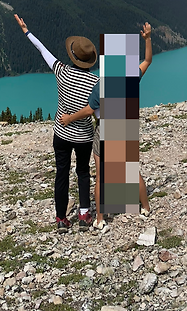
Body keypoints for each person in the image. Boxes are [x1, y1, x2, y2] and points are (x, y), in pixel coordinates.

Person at [58, 22, 154, 228]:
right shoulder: (131, 77)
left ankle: (100, 219)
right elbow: (148, 60)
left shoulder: (102, 84)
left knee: (101, 177)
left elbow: (89, 110)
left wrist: (69, 119)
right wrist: (147, 39)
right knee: (132, 171)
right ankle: (145, 207)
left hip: (105, 130)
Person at [14, 13, 99, 230]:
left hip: (61, 134)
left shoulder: (62, 71)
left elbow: (43, 50)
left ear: (74, 57)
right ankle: (83, 215)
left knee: (61, 173)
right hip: (83, 137)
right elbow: (97, 110)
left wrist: (26, 31)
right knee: (82, 172)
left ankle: (61, 218)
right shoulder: (97, 82)